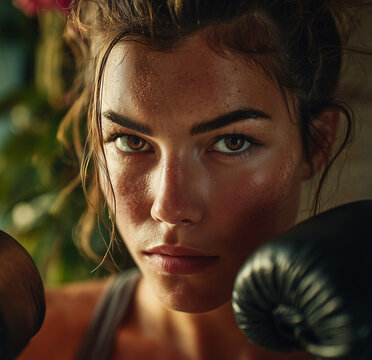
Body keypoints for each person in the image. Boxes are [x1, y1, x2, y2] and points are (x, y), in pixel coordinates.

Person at [18, 0, 363, 359]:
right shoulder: (30, 345)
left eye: (233, 143)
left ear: (317, 141)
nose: (170, 208)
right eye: (131, 141)